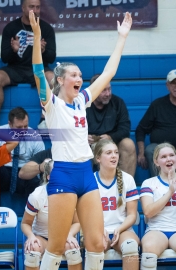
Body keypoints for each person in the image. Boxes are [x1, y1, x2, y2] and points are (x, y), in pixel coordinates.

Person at [29, 9, 132, 270]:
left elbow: (108, 73)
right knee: (55, 247)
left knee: (96, 244)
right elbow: (38, 71)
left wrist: (122, 37)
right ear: (61, 80)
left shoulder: (82, 101)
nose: (79, 79)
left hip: (87, 173)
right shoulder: (51, 104)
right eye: (73, 75)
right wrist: (38, 34)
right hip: (63, 173)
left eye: (80, 75)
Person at [0, 0, 56, 127]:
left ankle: (44, 120)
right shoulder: (11, 28)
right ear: (23, 8)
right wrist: (14, 50)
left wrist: (42, 51)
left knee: (53, 79)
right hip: (15, 69)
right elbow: (5, 58)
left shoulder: (46, 28)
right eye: (31, 7)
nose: (35, 10)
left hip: (38, 68)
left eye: (38, 7)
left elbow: (51, 58)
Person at [21, 159, 82, 270]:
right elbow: (25, 223)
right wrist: (30, 236)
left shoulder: (72, 193)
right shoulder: (37, 195)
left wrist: (69, 234)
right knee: (32, 251)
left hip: (63, 237)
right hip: (42, 238)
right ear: (48, 177)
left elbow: (77, 223)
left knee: (73, 249)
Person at [94, 139, 139, 270]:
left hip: (122, 229)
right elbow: (85, 216)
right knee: (96, 246)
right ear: (98, 158)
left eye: (116, 152)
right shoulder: (90, 181)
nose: (114, 156)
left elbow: (131, 215)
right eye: (108, 153)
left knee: (130, 245)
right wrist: (101, 231)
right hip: (98, 230)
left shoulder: (128, 179)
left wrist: (118, 230)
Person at [86, 74, 136, 177]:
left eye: (109, 89)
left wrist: (110, 137)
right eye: (103, 90)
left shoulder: (118, 102)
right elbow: (71, 128)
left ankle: (126, 186)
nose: (108, 93)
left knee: (128, 144)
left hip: (112, 142)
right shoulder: (82, 104)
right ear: (93, 90)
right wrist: (83, 137)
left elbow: (125, 129)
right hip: (87, 144)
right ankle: (85, 188)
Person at [140, 142, 176, 270]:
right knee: (149, 247)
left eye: (171, 155)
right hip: (156, 229)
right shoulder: (148, 183)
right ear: (156, 162)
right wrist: (170, 192)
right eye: (164, 157)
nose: (168, 159)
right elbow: (148, 212)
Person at [0, 107, 45, 196]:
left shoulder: (35, 136)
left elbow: (39, 161)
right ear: (10, 124)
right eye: (18, 127)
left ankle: (32, 209)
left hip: (24, 171)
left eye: (25, 126)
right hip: (3, 170)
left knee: (35, 181)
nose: (23, 131)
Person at [136, 69, 176, 177]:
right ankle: (159, 187)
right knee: (150, 150)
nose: (175, 86)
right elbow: (141, 129)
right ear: (167, 85)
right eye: (173, 83)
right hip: (160, 148)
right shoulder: (157, 105)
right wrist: (141, 153)